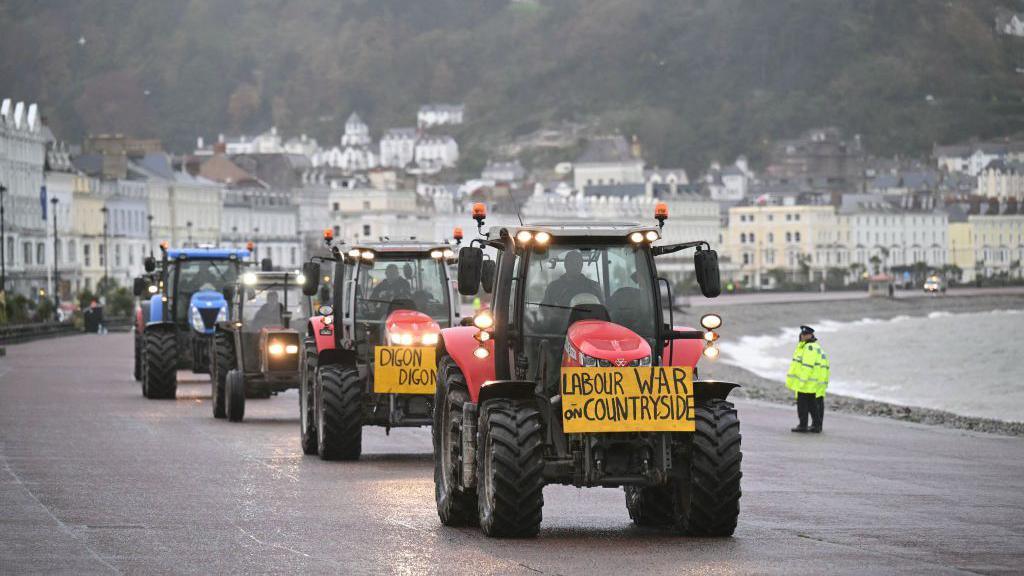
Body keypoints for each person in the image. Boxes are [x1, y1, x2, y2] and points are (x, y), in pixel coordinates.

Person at [786, 325, 830, 433]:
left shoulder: (809, 348)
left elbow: (807, 366)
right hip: (812, 382)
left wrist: (801, 381)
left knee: (803, 405)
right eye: (802, 334)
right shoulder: (813, 347)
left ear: (811, 335)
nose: (803, 336)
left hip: (806, 382)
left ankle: (803, 425)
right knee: (812, 404)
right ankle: (816, 425)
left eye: (805, 335)